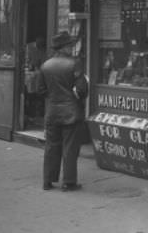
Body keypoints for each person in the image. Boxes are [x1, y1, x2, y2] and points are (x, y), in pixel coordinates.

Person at [37, 31, 88, 191]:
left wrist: (54, 96)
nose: (72, 48)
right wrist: (75, 96)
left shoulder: (45, 65)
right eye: (70, 45)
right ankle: (68, 182)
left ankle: (48, 180)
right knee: (70, 148)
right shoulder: (74, 64)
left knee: (51, 146)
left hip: (52, 111)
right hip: (71, 112)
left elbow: (40, 90)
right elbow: (82, 90)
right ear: (65, 47)